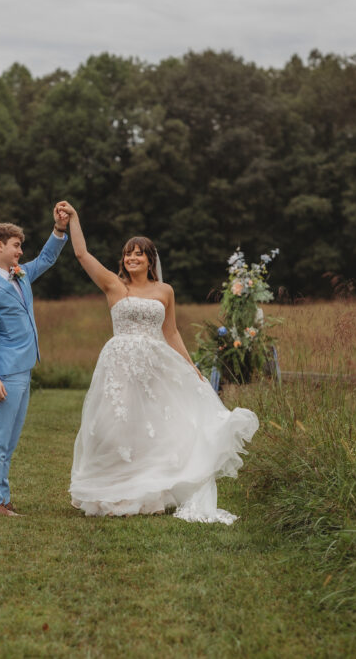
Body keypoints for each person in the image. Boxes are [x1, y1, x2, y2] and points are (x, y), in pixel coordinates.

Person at [54, 201, 258, 524]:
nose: (131, 258)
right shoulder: (113, 285)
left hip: (155, 366)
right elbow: (82, 255)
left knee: (153, 428)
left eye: (138, 253)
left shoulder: (165, 291)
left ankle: (149, 491)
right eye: (127, 253)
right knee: (115, 426)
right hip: (119, 364)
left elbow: (172, 332)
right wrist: (74, 219)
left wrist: (191, 367)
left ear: (150, 260)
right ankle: (113, 489)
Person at [0, 209, 69, 517]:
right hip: (4, 373)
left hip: (23, 369)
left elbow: (46, 260)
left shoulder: (20, 275)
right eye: (16, 245)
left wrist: (59, 229)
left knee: (9, 441)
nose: (21, 251)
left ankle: (1, 497)